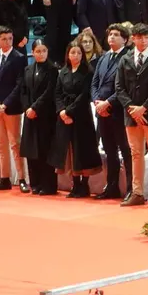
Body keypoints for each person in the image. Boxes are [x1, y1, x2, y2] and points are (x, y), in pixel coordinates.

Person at [115, 22, 148, 205]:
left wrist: (144, 108)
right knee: (135, 153)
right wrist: (132, 108)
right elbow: (119, 87)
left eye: (146, 37)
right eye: (139, 37)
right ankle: (137, 193)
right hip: (131, 114)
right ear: (133, 39)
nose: (143, 41)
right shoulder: (125, 59)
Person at [49, 41, 101, 198]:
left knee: (83, 150)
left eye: (79, 53)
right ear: (68, 55)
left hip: (81, 116)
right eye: (73, 53)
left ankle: (84, 185)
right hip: (64, 116)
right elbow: (57, 93)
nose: (76, 55)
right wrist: (62, 111)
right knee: (69, 151)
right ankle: (75, 183)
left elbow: (84, 95)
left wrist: (70, 112)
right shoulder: (63, 71)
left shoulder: (88, 71)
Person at [0, 26, 29, 192]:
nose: (8, 42)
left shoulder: (19, 57)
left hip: (11, 107)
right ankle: (5, 178)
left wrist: (5, 104)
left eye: (10, 38)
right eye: (4, 38)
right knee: (1, 143)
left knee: (15, 143)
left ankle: (22, 178)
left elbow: (20, 84)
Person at [19, 38, 57, 196]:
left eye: (44, 51)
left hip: (45, 115)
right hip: (30, 115)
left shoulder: (52, 69)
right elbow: (23, 91)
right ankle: (34, 183)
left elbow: (49, 93)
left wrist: (35, 108)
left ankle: (48, 185)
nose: (41, 54)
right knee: (31, 149)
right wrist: (27, 107)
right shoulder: (28, 69)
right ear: (32, 53)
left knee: (44, 150)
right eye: (38, 51)